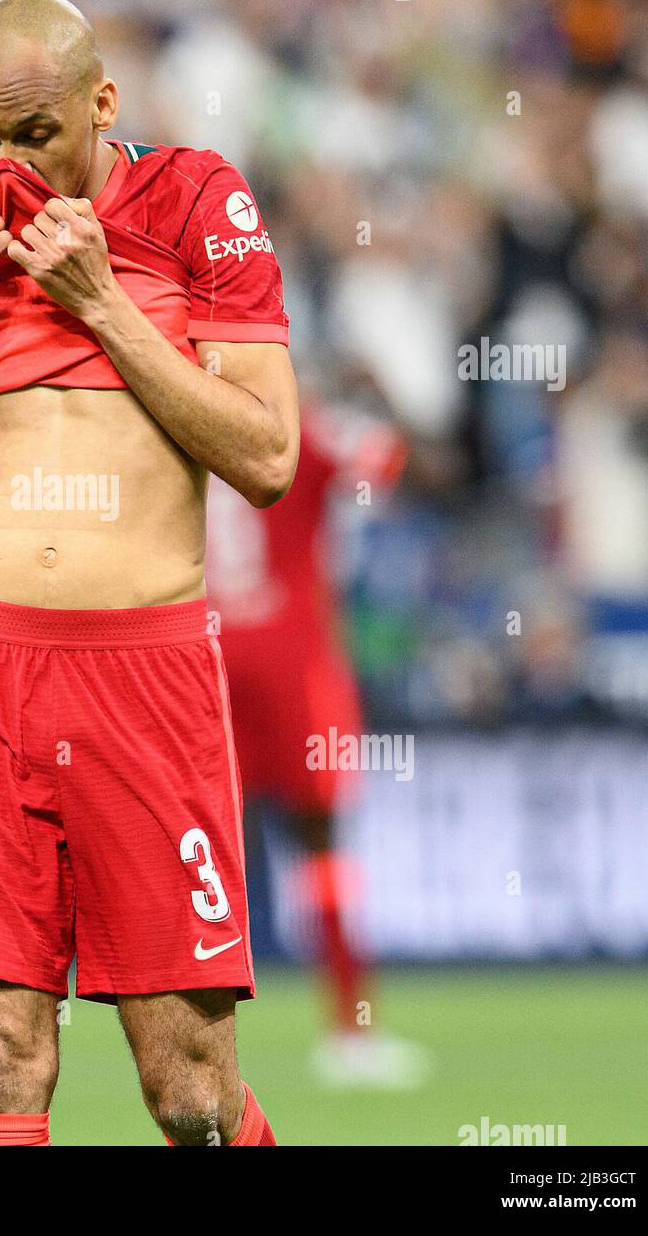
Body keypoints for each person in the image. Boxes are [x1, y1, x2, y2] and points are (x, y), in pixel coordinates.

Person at [0, 0, 298, 1146]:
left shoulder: (200, 199)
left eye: (33, 136)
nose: (3, 169)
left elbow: (267, 455)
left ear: (103, 103)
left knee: (188, 1087)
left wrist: (101, 303)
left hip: (143, 679)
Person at [208, 401, 429, 1087]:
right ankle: (351, 1032)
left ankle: (194, 1046)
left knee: (201, 858)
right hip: (294, 663)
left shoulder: (174, 415)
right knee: (323, 849)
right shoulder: (297, 423)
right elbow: (389, 464)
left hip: (202, 658)